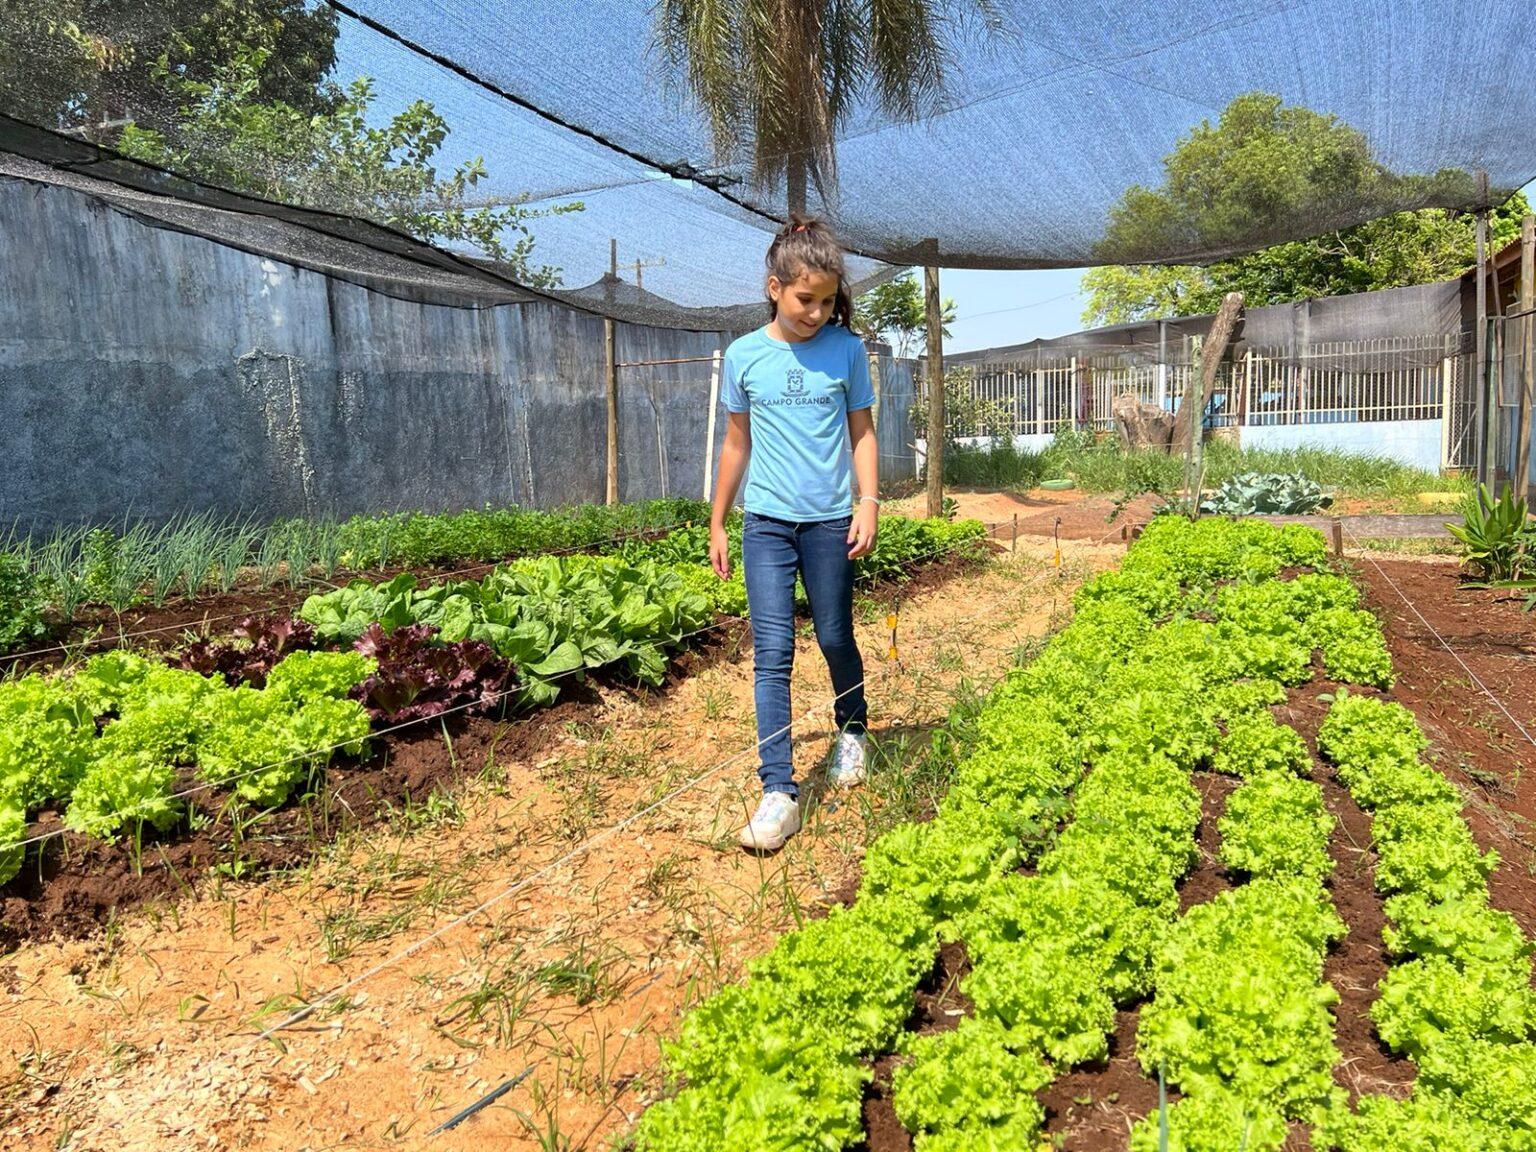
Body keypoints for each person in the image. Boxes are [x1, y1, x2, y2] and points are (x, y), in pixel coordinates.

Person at [709, 214, 880, 852]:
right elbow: (735, 444)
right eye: (806, 299)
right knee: (772, 652)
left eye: (828, 301)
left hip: (833, 518)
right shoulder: (745, 356)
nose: (817, 312)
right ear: (775, 287)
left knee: (835, 633)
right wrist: (719, 520)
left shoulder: (847, 350)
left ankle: (853, 731)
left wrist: (868, 502)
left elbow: (862, 432)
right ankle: (778, 791)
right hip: (767, 524)